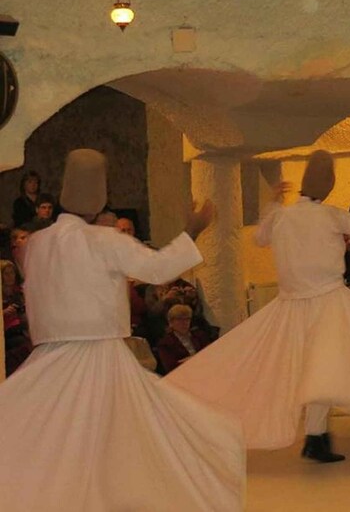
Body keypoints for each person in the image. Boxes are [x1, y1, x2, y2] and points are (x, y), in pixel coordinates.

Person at [0, 149, 244, 511]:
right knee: (122, 443)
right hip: (101, 358)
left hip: (49, 359)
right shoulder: (105, 240)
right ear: (100, 197)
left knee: (53, 442)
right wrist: (193, 228)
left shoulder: (36, 245)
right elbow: (160, 269)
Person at [167, 151, 350, 463]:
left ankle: (316, 437)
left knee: (317, 370)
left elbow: (260, 238)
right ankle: (316, 438)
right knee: (326, 367)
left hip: (294, 306)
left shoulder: (285, 216)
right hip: (327, 302)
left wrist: (272, 204)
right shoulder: (328, 215)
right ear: (327, 185)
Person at [156, 303, 214, 373]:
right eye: (179, 319)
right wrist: (196, 358)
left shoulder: (199, 335)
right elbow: (171, 368)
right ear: (171, 322)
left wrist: (186, 360)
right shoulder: (165, 343)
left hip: (206, 369)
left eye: (187, 319)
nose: (184, 323)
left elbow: (209, 354)